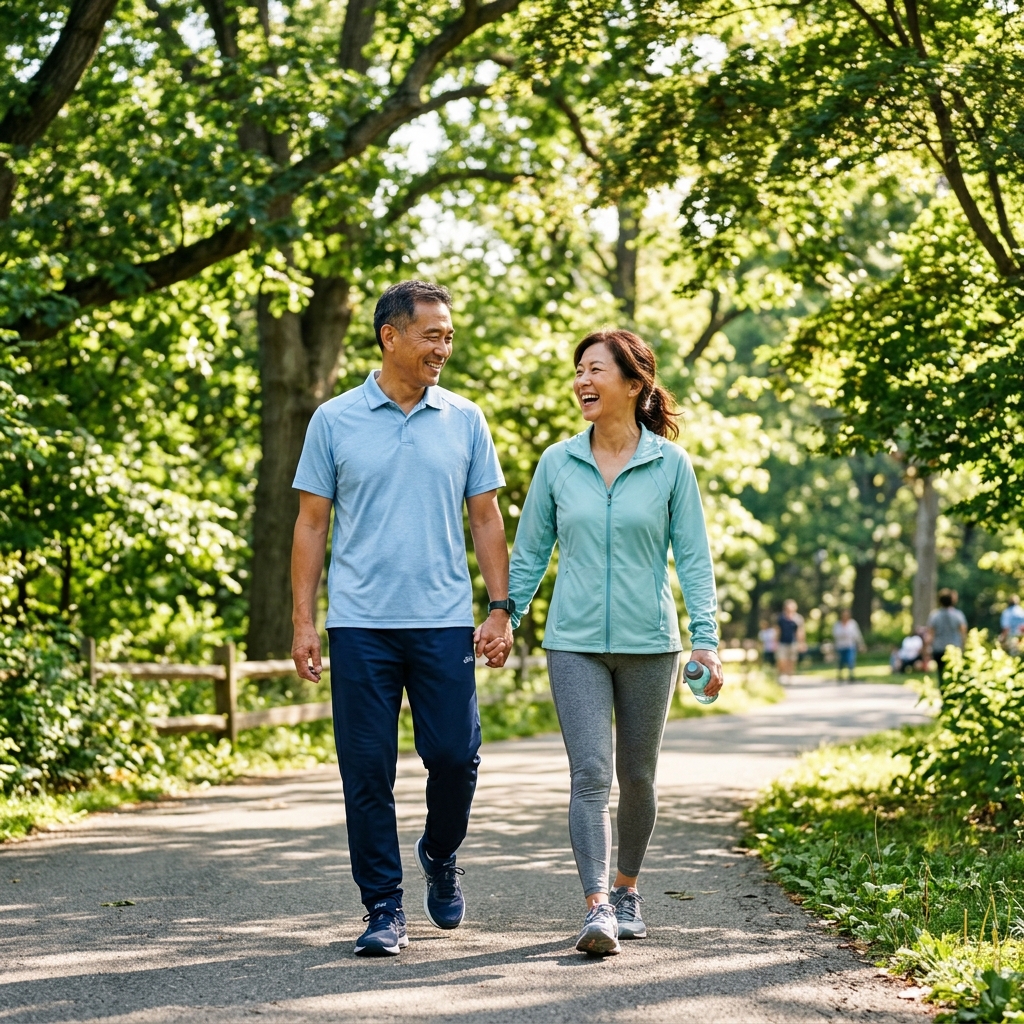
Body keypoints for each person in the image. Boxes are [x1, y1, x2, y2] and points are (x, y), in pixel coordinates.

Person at [289, 280, 514, 957]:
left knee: (455, 757)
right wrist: (304, 622)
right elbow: (309, 525)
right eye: (433, 334)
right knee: (366, 770)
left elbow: (486, 518)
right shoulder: (333, 419)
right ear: (391, 336)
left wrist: (499, 609)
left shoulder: (465, 419)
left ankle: (439, 853)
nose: (444, 346)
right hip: (359, 624)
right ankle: (383, 908)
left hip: (443, 620)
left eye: (448, 334)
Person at [507, 329, 722, 957]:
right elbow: (529, 552)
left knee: (639, 776)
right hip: (573, 641)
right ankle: (597, 905)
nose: (582, 381)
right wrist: (505, 617)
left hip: (651, 644)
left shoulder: (670, 466)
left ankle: (628, 887)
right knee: (590, 774)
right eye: (578, 370)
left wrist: (705, 642)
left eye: (595, 369)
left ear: (634, 384)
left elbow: (695, 560)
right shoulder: (557, 462)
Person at [927, 588, 967, 684]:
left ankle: (942, 692)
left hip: (938, 649)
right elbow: (963, 633)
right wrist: (964, 647)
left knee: (941, 674)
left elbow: (930, 635)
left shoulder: (934, 616)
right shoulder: (958, 615)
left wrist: (926, 649)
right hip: (954, 649)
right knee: (954, 674)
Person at [775, 600, 805, 681]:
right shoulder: (781, 618)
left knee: (792, 660)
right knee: (781, 659)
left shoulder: (798, 618)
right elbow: (778, 630)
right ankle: (782, 674)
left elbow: (800, 632)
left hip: (793, 642)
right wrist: (775, 642)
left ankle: (790, 676)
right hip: (782, 642)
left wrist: (801, 643)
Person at [832, 608, 864, 682]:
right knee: (841, 661)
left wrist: (861, 644)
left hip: (850, 645)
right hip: (840, 646)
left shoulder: (852, 624)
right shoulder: (838, 624)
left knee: (850, 660)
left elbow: (857, 635)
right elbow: (835, 635)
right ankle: (840, 675)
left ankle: (851, 675)